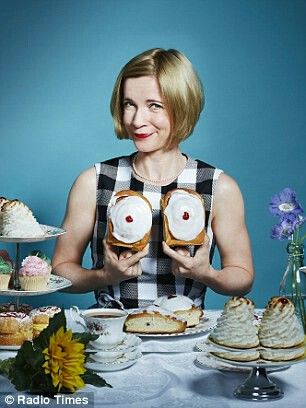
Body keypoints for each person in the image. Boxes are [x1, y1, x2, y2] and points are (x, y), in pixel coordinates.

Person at [52, 48, 254, 309]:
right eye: (129, 104)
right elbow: (60, 269)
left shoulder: (218, 187)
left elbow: (243, 276)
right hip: (111, 339)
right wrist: (103, 276)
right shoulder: (94, 182)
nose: (137, 120)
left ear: (181, 105)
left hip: (185, 336)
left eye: (154, 106)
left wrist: (207, 274)